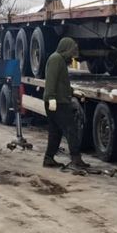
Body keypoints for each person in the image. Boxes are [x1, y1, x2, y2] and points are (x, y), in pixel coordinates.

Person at [42, 36, 88, 169]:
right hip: (57, 102)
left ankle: (49, 158)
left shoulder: (60, 60)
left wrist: (73, 91)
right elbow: (51, 80)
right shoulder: (56, 59)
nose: (72, 55)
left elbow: (62, 82)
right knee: (71, 129)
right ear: (66, 48)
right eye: (71, 51)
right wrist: (51, 98)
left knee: (55, 132)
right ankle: (76, 159)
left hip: (58, 100)